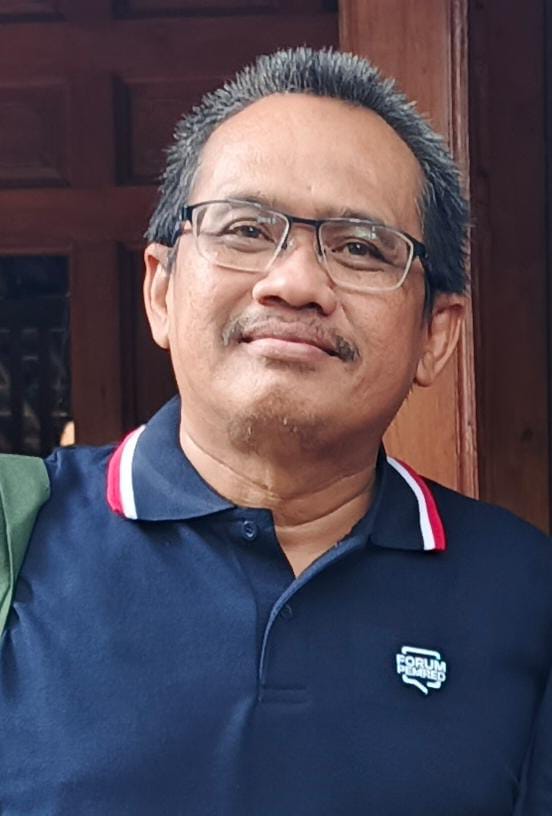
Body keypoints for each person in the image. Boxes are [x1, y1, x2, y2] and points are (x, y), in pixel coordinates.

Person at [1, 47, 550, 816]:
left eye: (360, 248)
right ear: (161, 290)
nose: (293, 284)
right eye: (246, 229)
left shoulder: (525, 592)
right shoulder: (16, 541)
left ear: (436, 334)